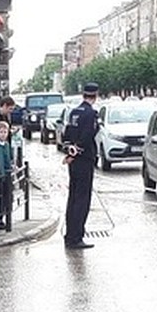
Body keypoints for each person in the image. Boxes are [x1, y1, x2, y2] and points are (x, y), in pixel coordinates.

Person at [61, 81, 100, 249]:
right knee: (82, 199)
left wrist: (70, 153)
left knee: (73, 197)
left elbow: (67, 133)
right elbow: (87, 135)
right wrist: (77, 151)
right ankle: (76, 237)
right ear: (95, 95)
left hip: (74, 160)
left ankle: (70, 234)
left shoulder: (74, 111)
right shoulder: (90, 113)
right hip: (84, 159)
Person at [0, 119, 15, 231]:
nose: (3, 134)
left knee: (4, 198)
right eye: (1, 132)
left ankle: (1, 218)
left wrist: (11, 167)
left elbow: (10, 158)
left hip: (6, 176)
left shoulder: (7, 145)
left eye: (5, 132)